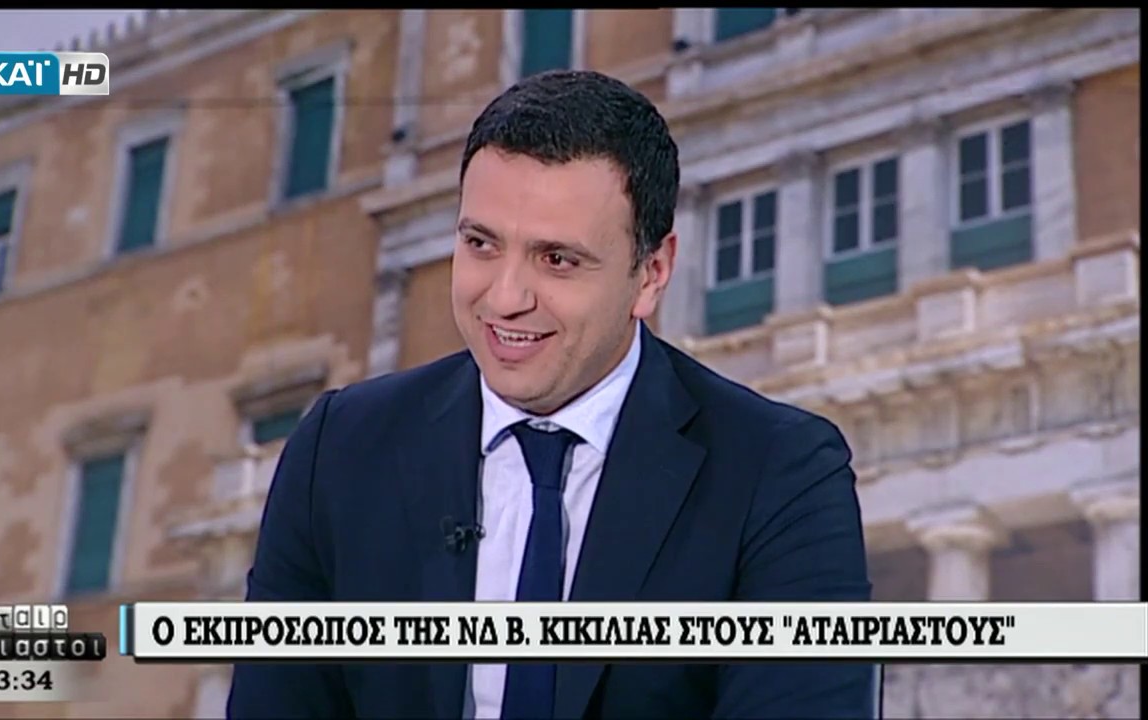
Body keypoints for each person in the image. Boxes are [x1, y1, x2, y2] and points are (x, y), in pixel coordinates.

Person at [227, 69, 874, 719]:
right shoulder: (338, 450)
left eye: (557, 259)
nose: (505, 297)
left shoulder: (782, 473)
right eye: (480, 244)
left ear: (651, 274)